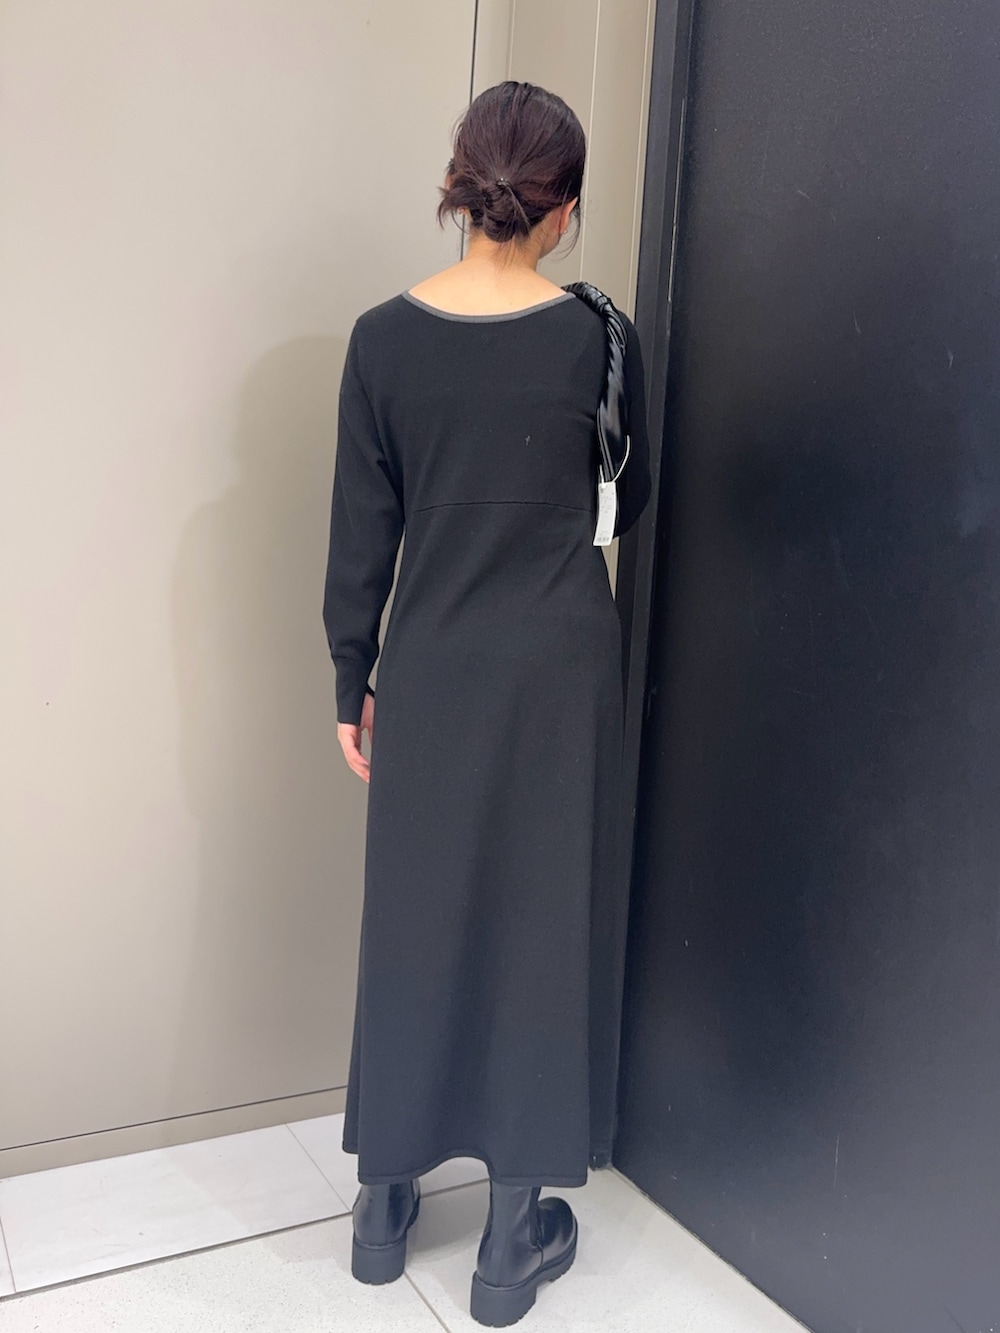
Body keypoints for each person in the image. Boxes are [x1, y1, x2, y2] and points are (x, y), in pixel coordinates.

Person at [322, 79, 651, 1327]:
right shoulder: (597, 337)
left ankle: (381, 1207)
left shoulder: (380, 340)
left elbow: (362, 536)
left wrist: (350, 677)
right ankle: (513, 1244)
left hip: (433, 668)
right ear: (564, 208)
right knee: (541, 925)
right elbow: (630, 496)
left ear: (457, 187)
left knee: (411, 915)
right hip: (560, 673)